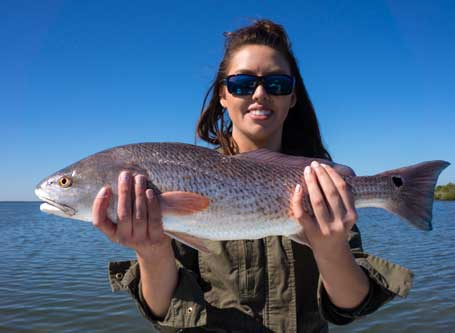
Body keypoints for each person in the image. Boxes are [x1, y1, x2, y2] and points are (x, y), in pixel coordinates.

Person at [92, 19, 413, 332]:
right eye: (243, 84)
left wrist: (330, 248)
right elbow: (164, 312)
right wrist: (151, 252)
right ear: (223, 94)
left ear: (293, 97)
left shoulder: (320, 183)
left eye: (276, 84)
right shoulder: (180, 175)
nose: (259, 94)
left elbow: (349, 306)